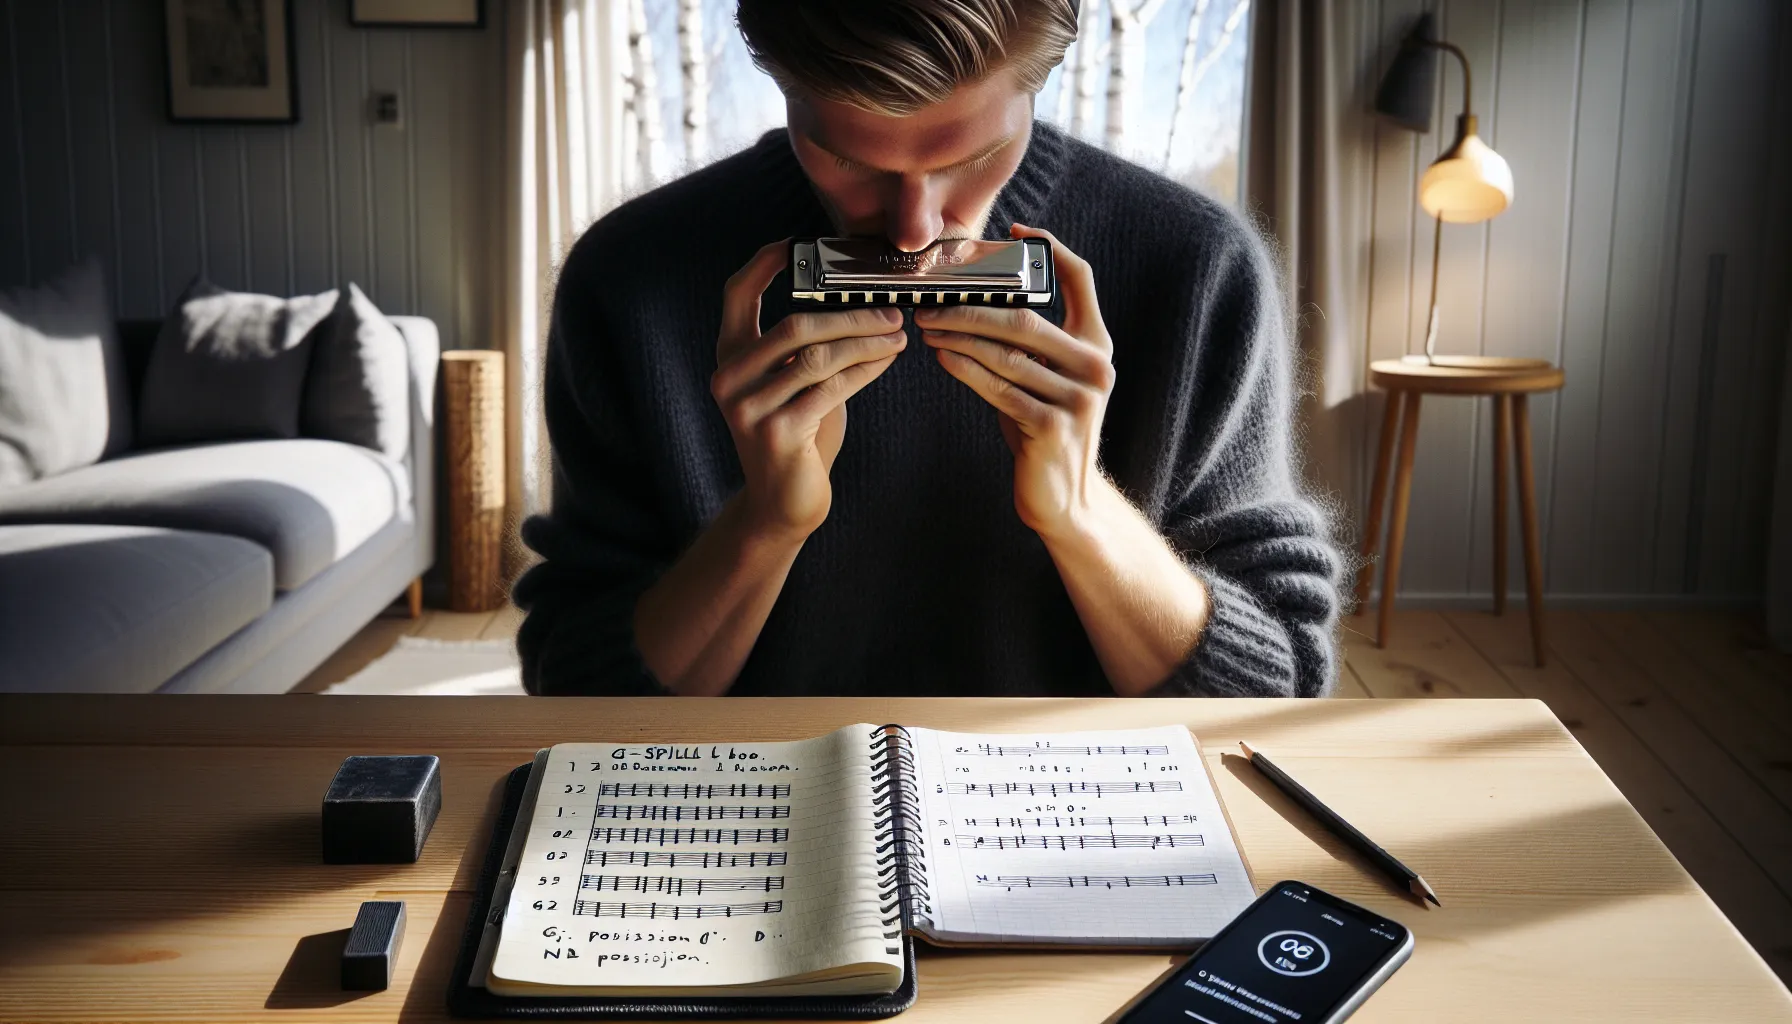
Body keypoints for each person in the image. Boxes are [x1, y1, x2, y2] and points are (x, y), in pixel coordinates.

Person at [513, 0, 1342, 698]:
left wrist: (1082, 513)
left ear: (1039, 80)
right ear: (779, 81)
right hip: (731, 827)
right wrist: (764, 525)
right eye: (845, 159)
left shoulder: (1195, 266)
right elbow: (576, 691)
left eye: (974, 156)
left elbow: (1277, 692)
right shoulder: (629, 278)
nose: (914, 231)